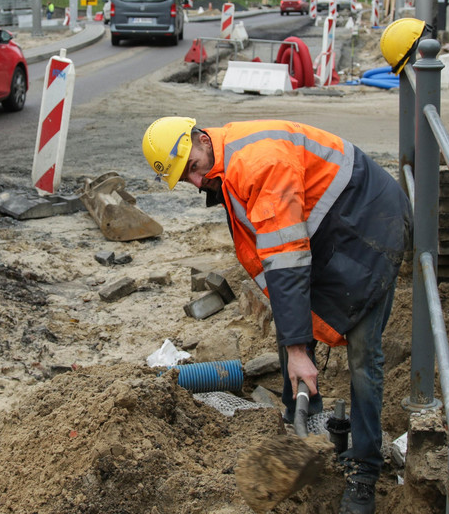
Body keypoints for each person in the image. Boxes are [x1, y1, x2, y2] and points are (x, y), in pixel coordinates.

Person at [142, 117, 411, 514]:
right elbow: (283, 266)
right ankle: (301, 426)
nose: (197, 183)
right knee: (293, 327)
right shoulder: (225, 167)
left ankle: (365, 467)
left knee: (362, 353)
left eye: (194, 169)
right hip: (328, 226)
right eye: (185, 179)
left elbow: (287, 260)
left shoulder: (258, 163)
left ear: (202, 140)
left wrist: (299, 350)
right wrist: (295, 342)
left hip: (371, 222)